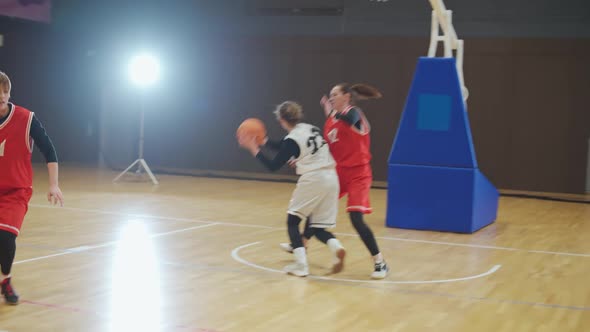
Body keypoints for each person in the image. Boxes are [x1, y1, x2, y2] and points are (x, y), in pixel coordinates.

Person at [239, 101, 346, 277]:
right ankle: (337, 248)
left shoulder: (292, 140)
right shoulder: (309, 128)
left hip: (314, 179)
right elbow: (285, 146)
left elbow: (274, 165)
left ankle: (301, 266)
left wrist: (254, 150)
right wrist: (263, 141)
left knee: (293, 222)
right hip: (331, 177)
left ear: (281, 120)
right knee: (318, 227)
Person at [0, 70, 64, 305]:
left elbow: (49, 149)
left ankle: (5, 281)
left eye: (4, 95)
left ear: (8, 94)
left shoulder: (26, 119)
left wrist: (54, 184)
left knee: (5, 237)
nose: (1, 99)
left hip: (15, 191)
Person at [320, 82, 389, 279]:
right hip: (339, 172)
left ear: (346, 97)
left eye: (335, 95)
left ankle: (380, 262)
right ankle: (299, 244)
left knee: (356, 219)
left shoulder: (354, 113)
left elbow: (350, 119)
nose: (331, 98)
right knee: (318, 205)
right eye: (330, 95)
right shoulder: (332, 120)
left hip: (359, 173)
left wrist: (332, 112)